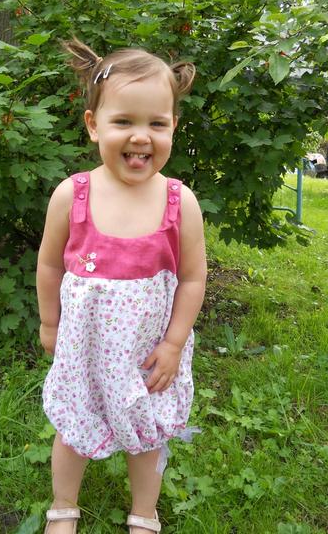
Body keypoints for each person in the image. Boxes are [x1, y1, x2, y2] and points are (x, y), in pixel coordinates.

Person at [36, 37, 207, 534]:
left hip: (147, 355)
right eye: (124, 121)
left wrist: (173, 344)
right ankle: (63, 506)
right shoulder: (73, 195)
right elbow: (49, 266)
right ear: (94, 125)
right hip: (85, 350)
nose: (141, 136)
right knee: (73, 430)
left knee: (146, 432)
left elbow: (193, 278)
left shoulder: (180, 202)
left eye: (156, 123)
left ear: (173, 126)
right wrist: (50, 324)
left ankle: (144, 511)